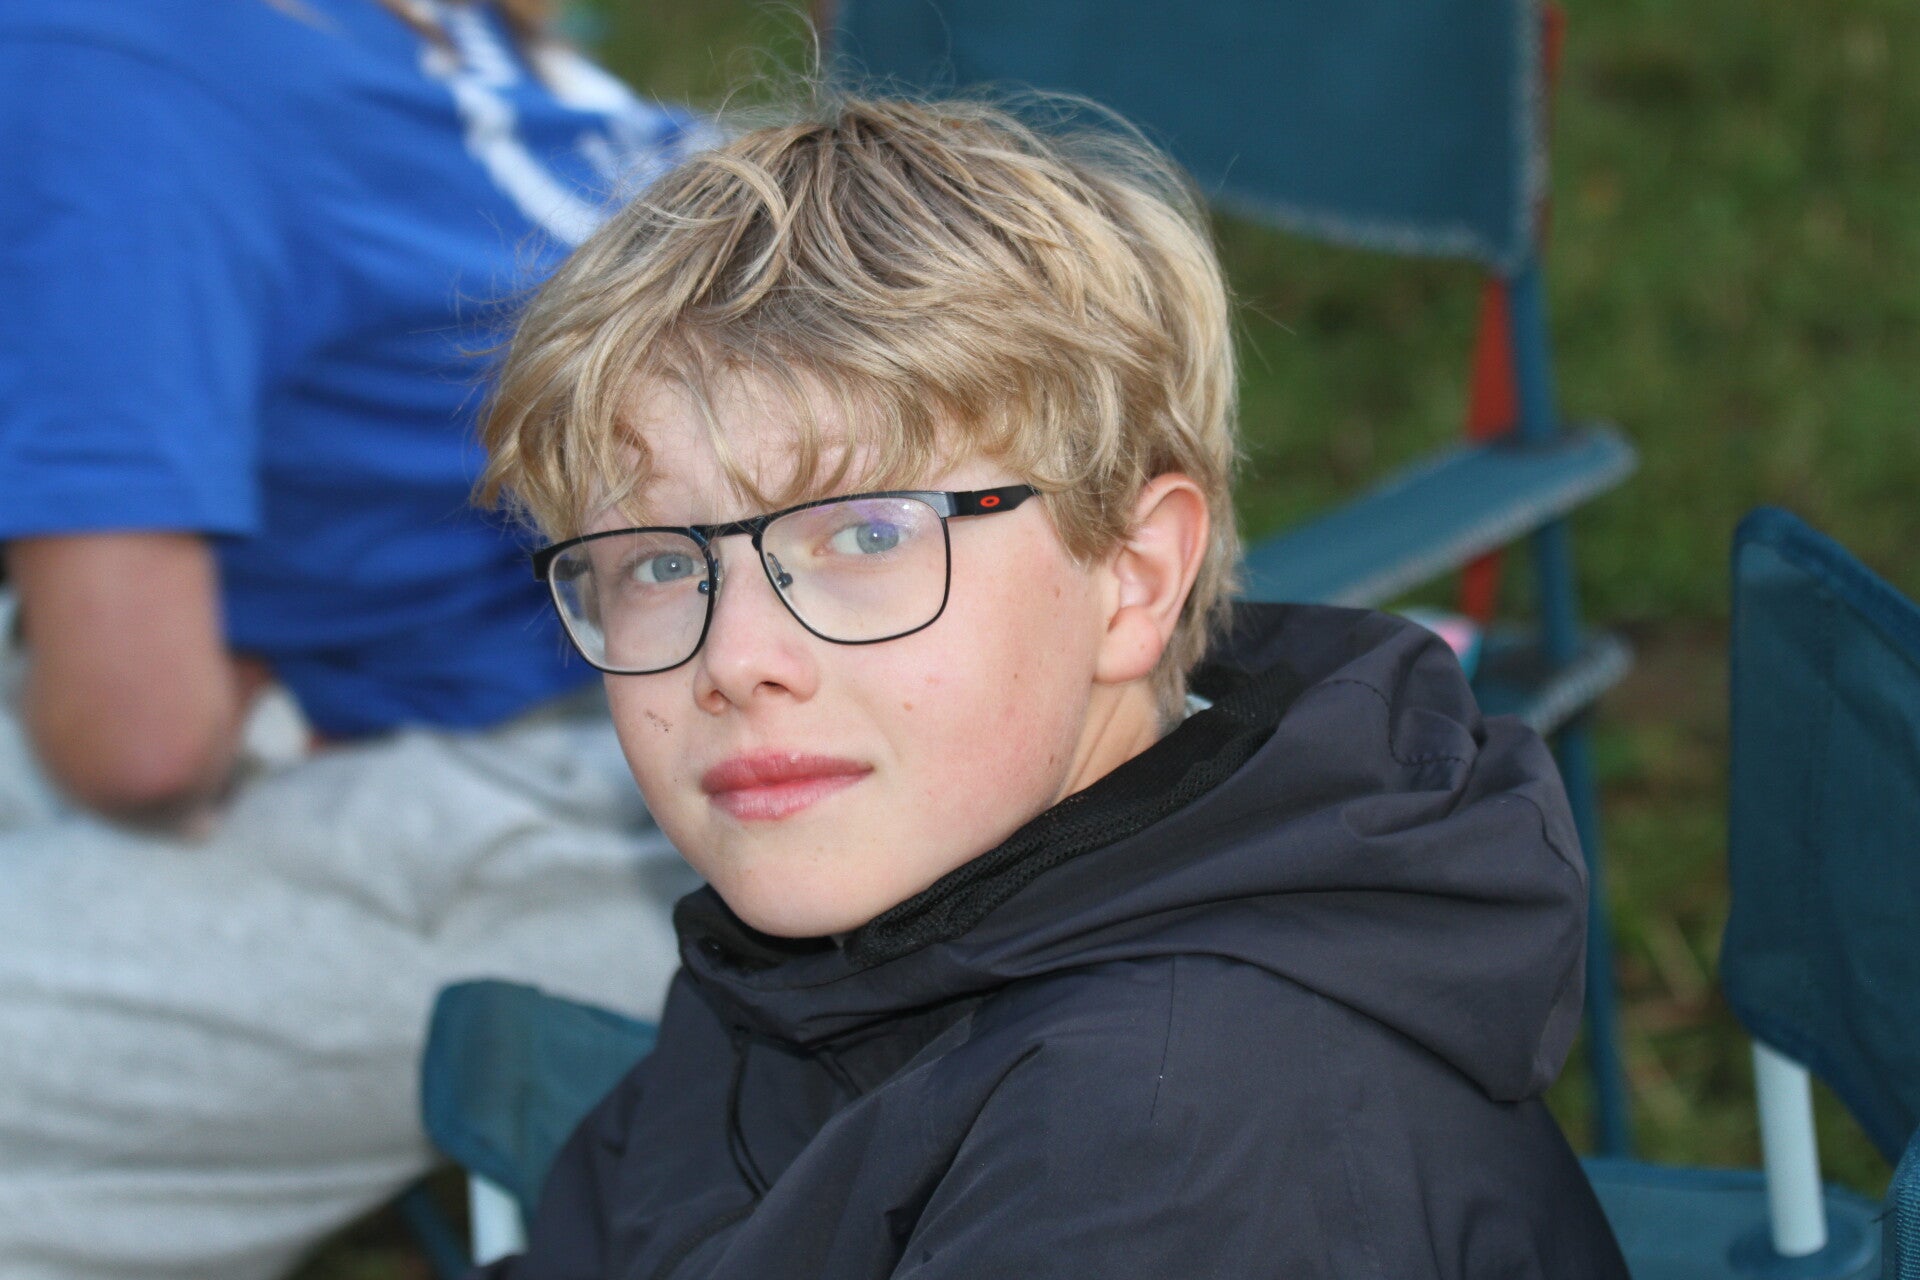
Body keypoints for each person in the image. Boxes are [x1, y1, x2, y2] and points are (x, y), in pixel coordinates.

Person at [470, 93, 1631, 1278]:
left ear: (1133, 576)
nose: (733, 657)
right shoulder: (850, 921)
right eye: (662, 563)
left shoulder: (1165, 1137)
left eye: (866, 535)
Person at [0, 2, 710, 1276]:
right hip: (731, 646)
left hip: (645, 791)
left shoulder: (96, 66)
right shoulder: (401, 31)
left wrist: (192, 691)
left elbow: (142, 742)